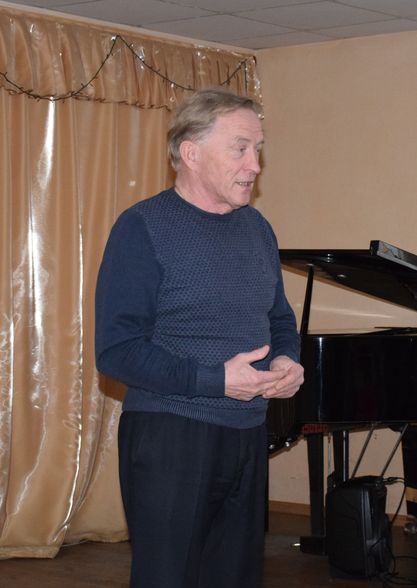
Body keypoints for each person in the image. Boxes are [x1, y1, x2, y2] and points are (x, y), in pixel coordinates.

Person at [95, 87, 304, 588]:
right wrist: (215, 380)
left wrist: (287, 360)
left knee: (235, 576)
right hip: (171, 435)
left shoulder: (257, 228)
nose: (255, 165)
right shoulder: (142, 227)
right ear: (191, 153)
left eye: (258, 149)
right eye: (240, 148)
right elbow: (116, 351)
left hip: (248, 432)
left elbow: (278, 317)